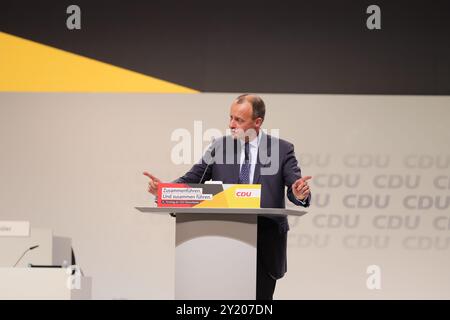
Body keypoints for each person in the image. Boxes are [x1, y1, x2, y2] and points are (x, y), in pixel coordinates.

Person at [144, 94, 311, 300]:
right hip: (224, 241)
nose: (231, 124)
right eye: (230, 117)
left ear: (257, 122)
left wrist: (298, 193)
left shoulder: (281, 149)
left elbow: (295, 187)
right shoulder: (219, 146)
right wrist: (165, 191)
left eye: (239, 120)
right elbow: (193, 178)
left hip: (264, 242)